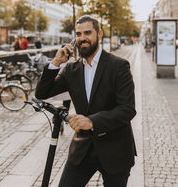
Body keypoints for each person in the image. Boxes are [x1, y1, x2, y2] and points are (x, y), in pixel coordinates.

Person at [35, 15, 137, 187]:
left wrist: (91, 121)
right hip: (82, 149)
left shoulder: (119, 66)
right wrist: (55, 62)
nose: (82, 38)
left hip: (115, 149)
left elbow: (127, 109)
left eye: (88, 33)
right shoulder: (71, 69)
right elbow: (42, 93)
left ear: (99, 34)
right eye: (78, 34)